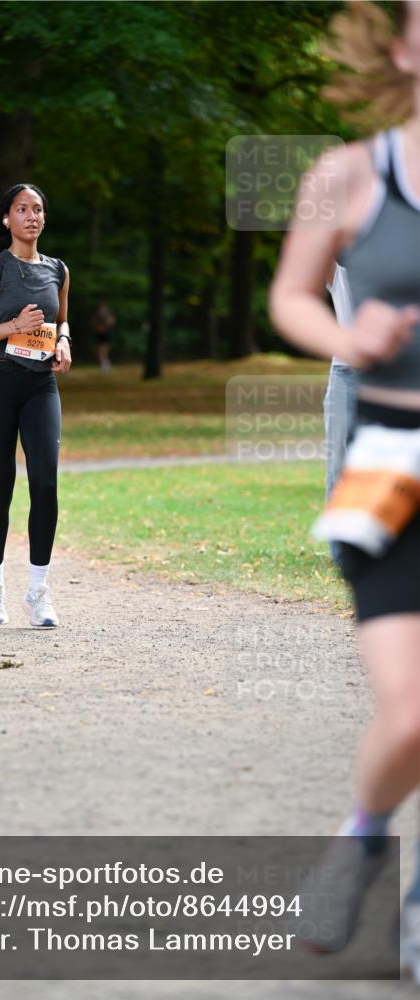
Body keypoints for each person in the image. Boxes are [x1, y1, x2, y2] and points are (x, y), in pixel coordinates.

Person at [269, 0, 420, 978]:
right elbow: (289, 296)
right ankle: (362, 835)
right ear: (402, 44)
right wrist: (345, 335)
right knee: (411, 714)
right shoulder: (345, 176)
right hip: (389, 463)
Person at [0, 183, 71, 627]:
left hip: (41, 387)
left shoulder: (58, 269)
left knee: (45, 482)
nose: (32, 216)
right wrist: (12, 326)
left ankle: (38, 590)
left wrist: (64, 341)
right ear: (7, 219)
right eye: (22, 209)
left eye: (38, 209)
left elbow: (61, 318)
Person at [324, 263, 357, 563]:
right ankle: (341, 553)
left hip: (396, 376)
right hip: (345, 373)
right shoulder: (339, 268)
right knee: (338, 463)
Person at [89, 300, 116, 373]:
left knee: (103, 351)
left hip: (106, 335)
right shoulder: (97, 315)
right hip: (99, 335)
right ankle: (105, 365)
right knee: (99, 351)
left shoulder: (108, 315)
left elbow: (111, 322)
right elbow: (93, 324)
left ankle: (105, 366)